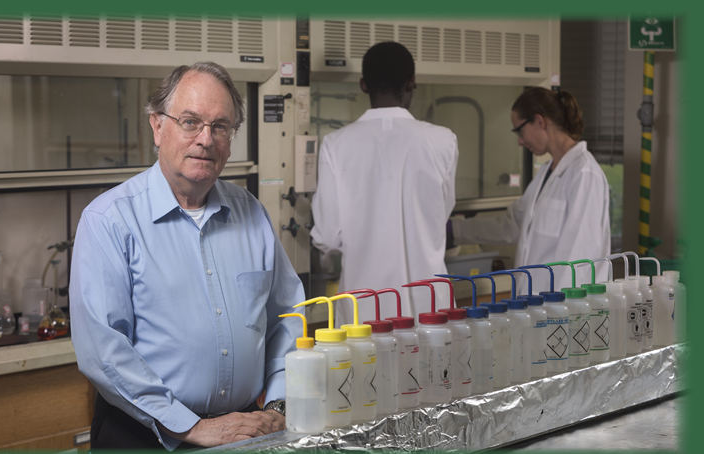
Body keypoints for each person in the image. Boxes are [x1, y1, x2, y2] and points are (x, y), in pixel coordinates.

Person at [70, 61, 303, 451]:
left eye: (220, 126)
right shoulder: (109, 220)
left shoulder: (251, 213)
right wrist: (191, 427)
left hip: (245, 434)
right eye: (190, 122)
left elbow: (287, 318)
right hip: (145, 436)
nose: (206, 139)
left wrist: (279, 403)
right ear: (158, 127)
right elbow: (103, 352)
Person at [310, 41, 459, 325]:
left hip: (365, 313)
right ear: (411, 83)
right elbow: (442, 212)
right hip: (431, 311)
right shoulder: (444, 140)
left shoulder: (335, 145)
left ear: (364, 85)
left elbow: (327, 237)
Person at [449, 87, 611, 293]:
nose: (520, 141)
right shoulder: (545, 173)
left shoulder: (584, 174)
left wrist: (557, 315)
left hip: (562, 310)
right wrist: (455, 231)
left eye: (519, 130)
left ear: (540, 121)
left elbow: (578, 257)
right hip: (535, 307)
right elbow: (512, 225)